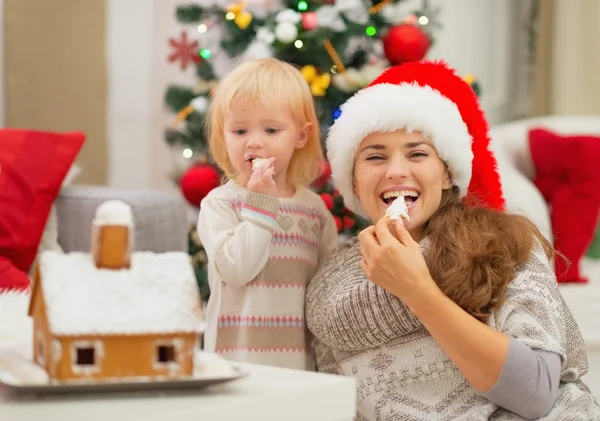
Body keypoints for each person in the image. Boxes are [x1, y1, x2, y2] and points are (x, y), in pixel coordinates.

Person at [306, 60, 600, 420]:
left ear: (447, 174)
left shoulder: (504, 242)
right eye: (375, 156)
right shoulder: (328, 284)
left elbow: (536, 393)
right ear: (353, 181)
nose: (396, 170)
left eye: (417, 153)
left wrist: (417, 290)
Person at [198, 58, 338, 370]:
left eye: (271, 129)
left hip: (300, 370)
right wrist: (260, 205)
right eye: (239, 130)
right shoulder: (221, 204)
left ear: (301, 136)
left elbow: (327, 290)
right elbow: (236, 270)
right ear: (224, 136)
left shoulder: (313, 212)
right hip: (236, 368)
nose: (254, 141)